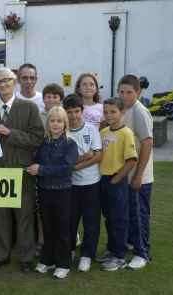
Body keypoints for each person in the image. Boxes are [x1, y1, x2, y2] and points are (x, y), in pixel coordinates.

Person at [0, 67, 44, 273]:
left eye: (7, 80)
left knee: (24, 215)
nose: (3, 84)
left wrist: (11, 133)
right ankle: (1, 255)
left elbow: (37, 139)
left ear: (14, 81)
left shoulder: (29, 108)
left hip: (21, 171)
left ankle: (26, 257)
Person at [27, 106, 78, 279]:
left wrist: (40, 169)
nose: (56, 124)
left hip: (63, 192)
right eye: (52, 120)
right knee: (47, 228)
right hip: (44, 191)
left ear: (65, 124)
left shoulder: (70, 144)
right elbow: (34, 160)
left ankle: (63, 263)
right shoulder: (43, 142)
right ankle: (47, 260)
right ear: (47, 123)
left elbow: (66, 168)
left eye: (59, 121)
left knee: (62, 228)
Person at [118, 75, 154, 270]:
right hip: (127, 174)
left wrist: (139, 175)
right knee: (131, 214)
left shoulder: (140, 111)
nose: (125, 95)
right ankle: (134, 245)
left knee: (140, 215)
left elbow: (147, 143)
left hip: (140, 177)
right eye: (121, 92)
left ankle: (143, 253)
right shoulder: (125, 109)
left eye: (129, 92)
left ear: (138, 92)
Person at [63, 94, 102, 272]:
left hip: (91, 183)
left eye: (76, 111)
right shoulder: (63, 132)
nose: (73, 116)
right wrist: (82, 158)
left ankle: (87, 254)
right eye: (69, 112)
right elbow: (64, 162)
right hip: (70, 185)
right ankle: (70, 250)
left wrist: (75, 166)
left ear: (82, 111)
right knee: (70, 220)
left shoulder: (91, 129)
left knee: (91, 221)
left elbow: (98, 156)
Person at [98, 98, 137, 271]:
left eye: (113, 111)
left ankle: (119, 256)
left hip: (117, 180)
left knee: (119, 219)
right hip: (103, 179)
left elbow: (131, 161)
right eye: (106, 112)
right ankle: (111, 249)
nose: (109, 115)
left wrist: (116, 179)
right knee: (109, 218)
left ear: (122, 112)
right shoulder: (104, 131)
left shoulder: (126, 133)